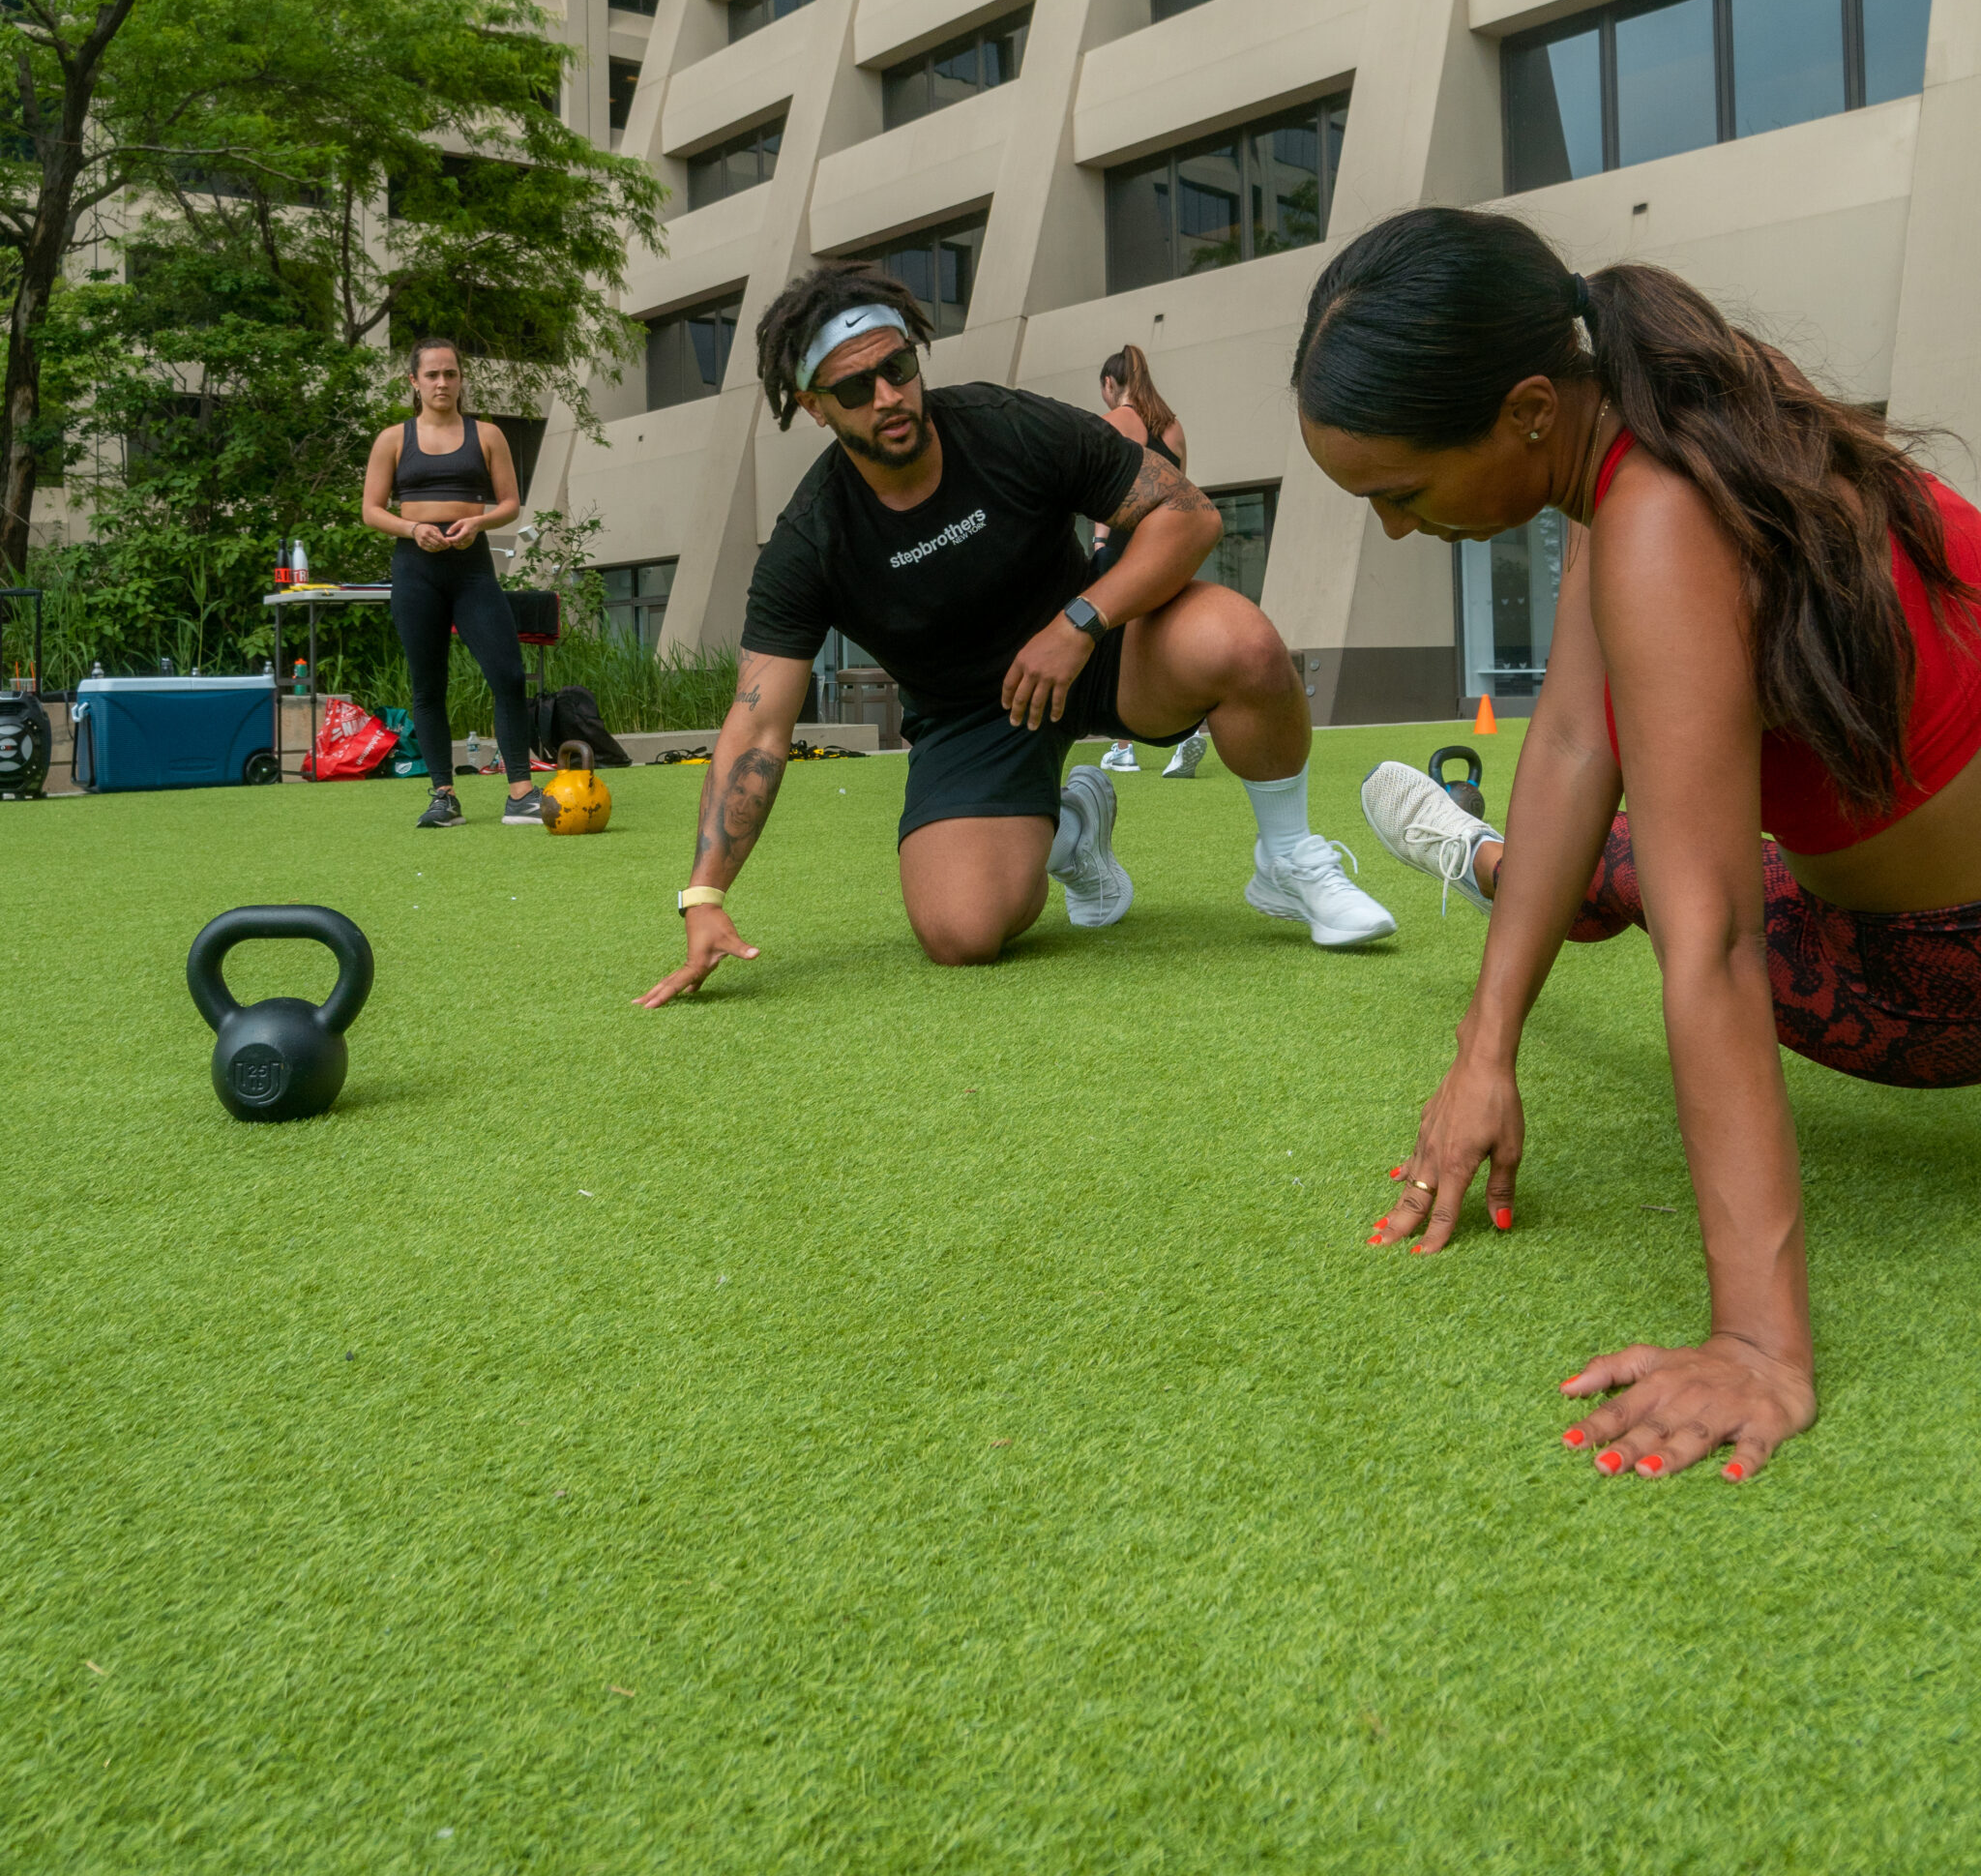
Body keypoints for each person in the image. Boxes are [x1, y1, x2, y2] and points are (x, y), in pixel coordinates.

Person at [1293, 207, 1981, 1485]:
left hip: (1942, 983)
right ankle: (1503, 864)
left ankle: (1488, 864)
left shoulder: (1660, 517)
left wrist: (1757, 1342)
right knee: (1632, 835)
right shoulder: (1687, 405)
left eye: (1400, 492)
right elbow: (1570, 737)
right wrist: (1483, 1048)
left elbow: (1716, 940)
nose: (1394, 528)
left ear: (1528, 412)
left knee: (1662, 879)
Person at [639, 265, 1395, 1001]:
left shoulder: (1002, 426)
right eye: (854, 388)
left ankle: (1287, 858)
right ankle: (1071, 832)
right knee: (960, 934)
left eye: (898, 368)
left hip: (1098, 650)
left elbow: (1188, 514)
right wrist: (704, 893)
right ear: (814, 406)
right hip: (971, 719)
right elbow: (759, 725)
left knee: (1243, 643)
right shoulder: (812, 537)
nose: (888, 396)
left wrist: (1079, 622)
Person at [361, 337, 545, 830]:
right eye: (432, 375)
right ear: (414, 381)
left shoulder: (487, 435)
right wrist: (412, 529)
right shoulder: (392, 439)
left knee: (508, 674)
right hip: (415, 568)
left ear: (461, 379)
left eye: (450, 373)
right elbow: (371, 510)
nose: (442, 382)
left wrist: (479, 524)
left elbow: (510, 504)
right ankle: (443, 795)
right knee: (428, 684)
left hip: (472, 567)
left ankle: (521, 793)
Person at [1093, 346, 1208, 781]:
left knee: (1116, 645)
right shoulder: (1173, 427)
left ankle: (1123, 749)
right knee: (1170, 641)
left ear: (1110, 384)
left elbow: (1107, 491)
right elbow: (1182, 490)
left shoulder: (1119, 421)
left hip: (1128, 544)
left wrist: (1099, 542)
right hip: (1171, 544)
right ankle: (1185, 735)